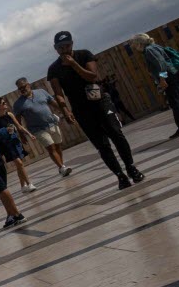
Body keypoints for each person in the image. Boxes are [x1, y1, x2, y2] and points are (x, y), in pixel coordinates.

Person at [46, 31, 143, 191]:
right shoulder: (54, 69)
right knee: (102, 144)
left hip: (100, 102)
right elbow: (58, 93)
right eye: (60, 47)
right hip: (81, 109)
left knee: (116, 134)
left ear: (72, 44)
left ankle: (131, 167)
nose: (65, 49)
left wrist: (74, 64)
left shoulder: (84, 55)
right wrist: (65, 109)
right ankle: (120, 175)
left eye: (67, 45)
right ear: (56, 49)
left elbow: (92, 77)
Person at [130, 34, 179, 138]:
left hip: (169, 75)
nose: (134, 48)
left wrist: (162, 79)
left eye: (134, 45)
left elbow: (162, 64)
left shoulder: (149, 50)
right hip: (175, 73)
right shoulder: (155, 46)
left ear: (139, 43)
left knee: (175, 102)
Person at [11, 78, 74, 177]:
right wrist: (21, 134)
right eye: (20, 89)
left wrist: (66, 112)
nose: (22, 89)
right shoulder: (18, 104)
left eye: (24, 87)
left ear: (28, 84)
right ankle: (62, 167)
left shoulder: (41, 92)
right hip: (38, 129)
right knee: (51, 147)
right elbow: (17, 122)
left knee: (58, 146)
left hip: (52, 124)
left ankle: (61, 167)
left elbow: (53, 103)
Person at [0, 97, 36, 191]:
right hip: (5, 144)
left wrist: (29, 134)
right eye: (3, 103)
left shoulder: (9, 114)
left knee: (19, 165)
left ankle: (23, 186)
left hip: (14, 141)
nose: (5, 104)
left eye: (5, 102)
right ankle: (29, 184)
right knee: (19, 163)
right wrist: (3, 130)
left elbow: (19, 126)